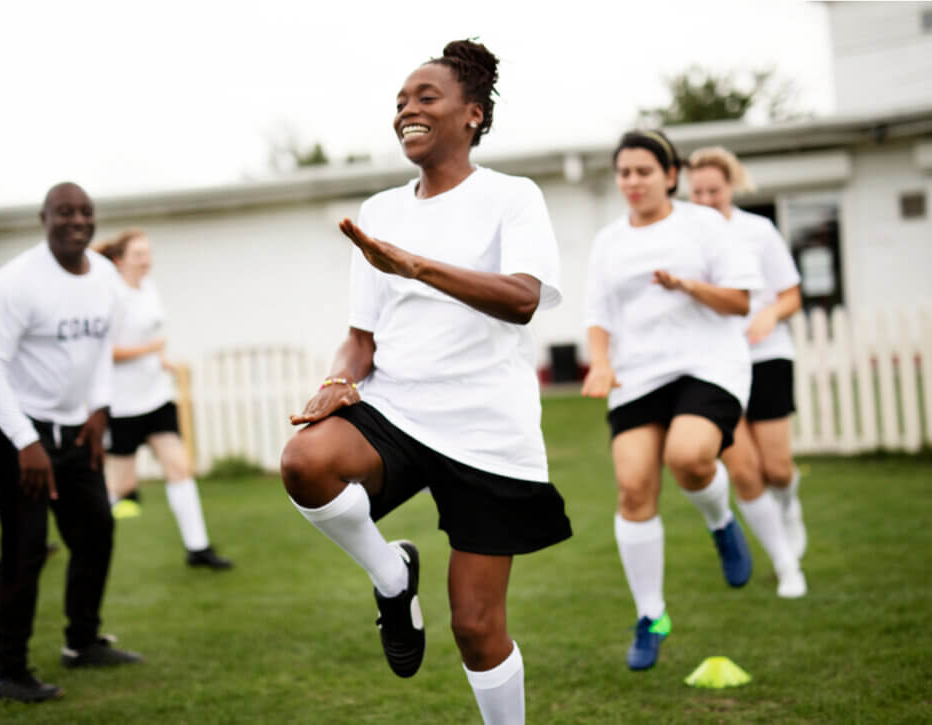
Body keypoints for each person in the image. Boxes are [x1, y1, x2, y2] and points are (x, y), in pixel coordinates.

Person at [280, 40, 571, 725]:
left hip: (487, 428)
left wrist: (416, 266)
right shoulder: (379, 209)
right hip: (399, 408)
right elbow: (361, 337)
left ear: (472, 115)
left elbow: (524, 297)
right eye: (401, 102)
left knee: (475, 626)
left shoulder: (511, 196)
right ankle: (391, 576)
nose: (408, 110)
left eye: (426, 98)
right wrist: (337, 380)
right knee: (305, 461)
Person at [582, 129, 763, 671]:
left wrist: (686, 286)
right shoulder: (608, 241)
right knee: (634, 489)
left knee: (688, 458)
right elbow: (597, 315)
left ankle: (721, 522)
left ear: (670, 175)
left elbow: (739, 301)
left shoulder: (704, 225)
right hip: (638, 375)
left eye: (643, 171)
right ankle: (652, 617)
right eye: (624, 173)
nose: (632, 182)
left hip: (708, 363)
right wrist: (602, 361)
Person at [0, 182, 142, 703]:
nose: (76, 220)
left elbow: (100, 353)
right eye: (64, 212)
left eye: (85, 212)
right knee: (25, 549)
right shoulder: (17, 282)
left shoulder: (106, 275)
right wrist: (25, 441)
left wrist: (99, 410)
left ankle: (82, 641)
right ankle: (10, 673)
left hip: (76, 428)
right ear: (44, 218)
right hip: (18, 429)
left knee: (96, 530)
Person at [687, 146, 807, 596]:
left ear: (731, 186)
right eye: (696, 192)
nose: (704, 199)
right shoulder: (682, 237)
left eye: (713, 190)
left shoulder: (759, 232)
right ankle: (786, 564)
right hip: (715, 365)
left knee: (776, 469)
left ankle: (789, 505)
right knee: (745, 471)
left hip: (767, 355)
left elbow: (791, 294)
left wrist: (770, 315)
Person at [92, 229, 231, 569]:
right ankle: (87, 541)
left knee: (180, 468)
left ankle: (197, 548)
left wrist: (161, 361)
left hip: (155, 398)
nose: (146, 259)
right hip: (122, 405)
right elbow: (103, 352)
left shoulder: (149, 290)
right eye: (138, 254)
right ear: (119, 260)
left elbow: (150, 342)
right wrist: (150, 350)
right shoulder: (110, 296)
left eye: (148, 253)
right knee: (121, 486)